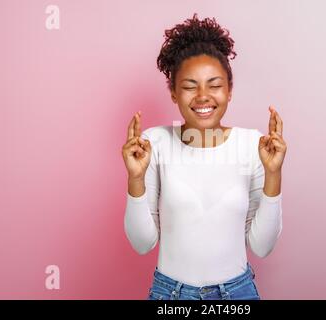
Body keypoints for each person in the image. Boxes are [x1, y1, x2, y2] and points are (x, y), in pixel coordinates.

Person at [121, 13, 287, 300]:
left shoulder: (252, 145)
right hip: (170, 296)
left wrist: (274, 174)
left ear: (229, 90)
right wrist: (135, 177)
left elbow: (262, 247)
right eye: (188, 86)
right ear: (173, 92)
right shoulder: (153, 144)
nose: (202, 96)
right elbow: (142, 243)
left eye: (214, 85)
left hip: (238, 295)